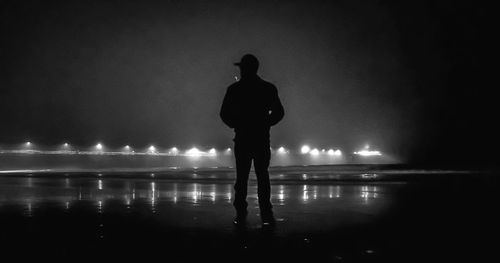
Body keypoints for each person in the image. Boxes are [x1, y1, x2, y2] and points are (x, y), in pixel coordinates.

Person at [220, 54, 285, 226]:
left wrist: (237, 124)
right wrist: (266, 123)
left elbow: (224, 114)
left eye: (242, 67)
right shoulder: (268, 88)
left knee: (242, 176)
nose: (240, 70)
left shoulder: (234, 89)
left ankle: (240, 209)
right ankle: (265, 208)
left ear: (245, 68)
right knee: (262, 175)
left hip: (242, 138)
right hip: (261, 138)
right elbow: (279, 113)